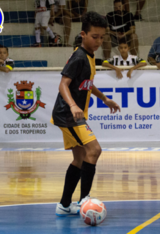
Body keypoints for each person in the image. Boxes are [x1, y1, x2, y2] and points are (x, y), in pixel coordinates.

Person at [51, 11, 121, 216]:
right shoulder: (79, 56)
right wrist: (73, 105)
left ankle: (64, 205)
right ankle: (84, 200)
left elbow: (87, 84)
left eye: (102, 37)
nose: (99, 41)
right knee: (95, 150)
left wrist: (104, 98)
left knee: (80, 159)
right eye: (94, 37)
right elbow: (63, 85)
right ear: (83, 34)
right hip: (68, 115)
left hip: (72, 115)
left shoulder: (90, 56)